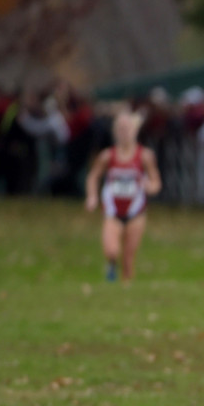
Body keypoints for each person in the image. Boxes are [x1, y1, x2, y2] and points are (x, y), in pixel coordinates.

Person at [84, 110, 162, 282]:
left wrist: (151, 187)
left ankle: (125, 290)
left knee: (128, 258)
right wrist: (92, 197)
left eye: (127, 128)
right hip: (112, 211)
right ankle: (111, 265)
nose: (124, 132)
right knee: (111, 250)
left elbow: (156, 181)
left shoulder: (144, 156)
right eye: (120, 128)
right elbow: (93, 176)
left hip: (136, 212)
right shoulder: (107, 156)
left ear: (134, 131)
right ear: (115, 131)